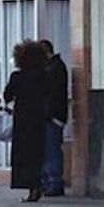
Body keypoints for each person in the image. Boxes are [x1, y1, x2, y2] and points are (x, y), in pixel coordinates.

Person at [3, 40, 49, 203]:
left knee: (24, 154)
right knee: (38, 153)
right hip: (39, 118)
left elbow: (7, 95)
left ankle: (31, 187)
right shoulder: (44, 75)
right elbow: (48, 94)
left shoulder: (17, 76)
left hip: (22, 119)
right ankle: (38, 184)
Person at [39, 39, 69, 197]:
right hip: (51, 115)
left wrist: (47, 114)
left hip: (52, 116)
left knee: (52, 150)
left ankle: (55, 182)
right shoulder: (53, 67)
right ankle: (50, 182)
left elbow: (52, 95)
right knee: (48, 150)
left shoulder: (55, 68)